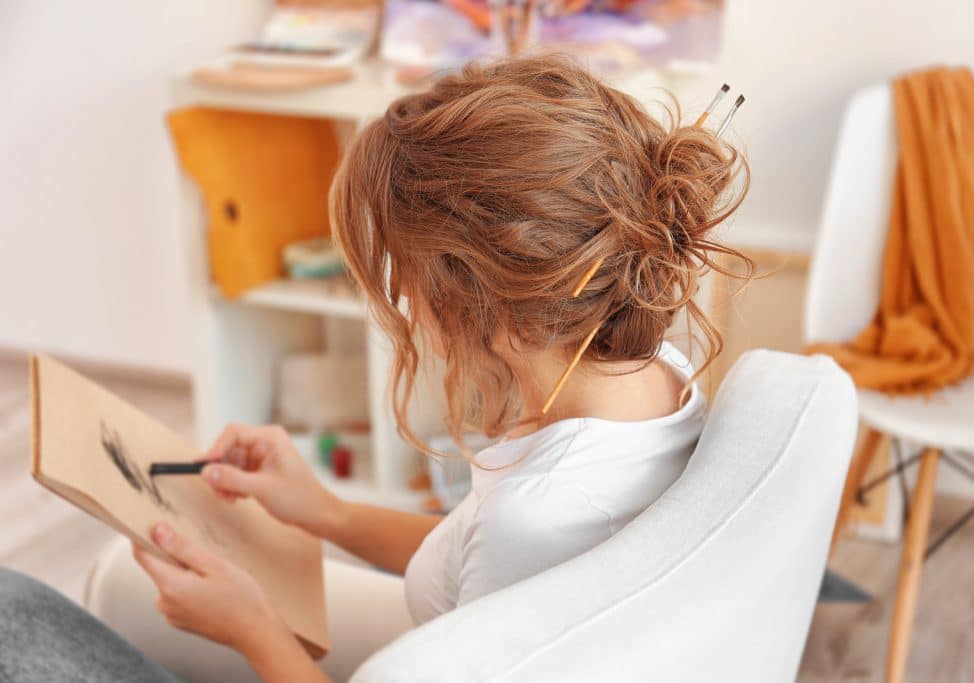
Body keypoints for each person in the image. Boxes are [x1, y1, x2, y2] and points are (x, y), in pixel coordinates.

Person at [0, 54, 748, 681]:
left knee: (14, 614)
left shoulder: (543, 510)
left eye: (404, 274)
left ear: (472, 295)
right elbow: (473, 550)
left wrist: (256, 630)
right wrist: (323, 511)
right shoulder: (648, 376)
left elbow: (508, 535)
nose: (400, 300)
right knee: (107, 587)